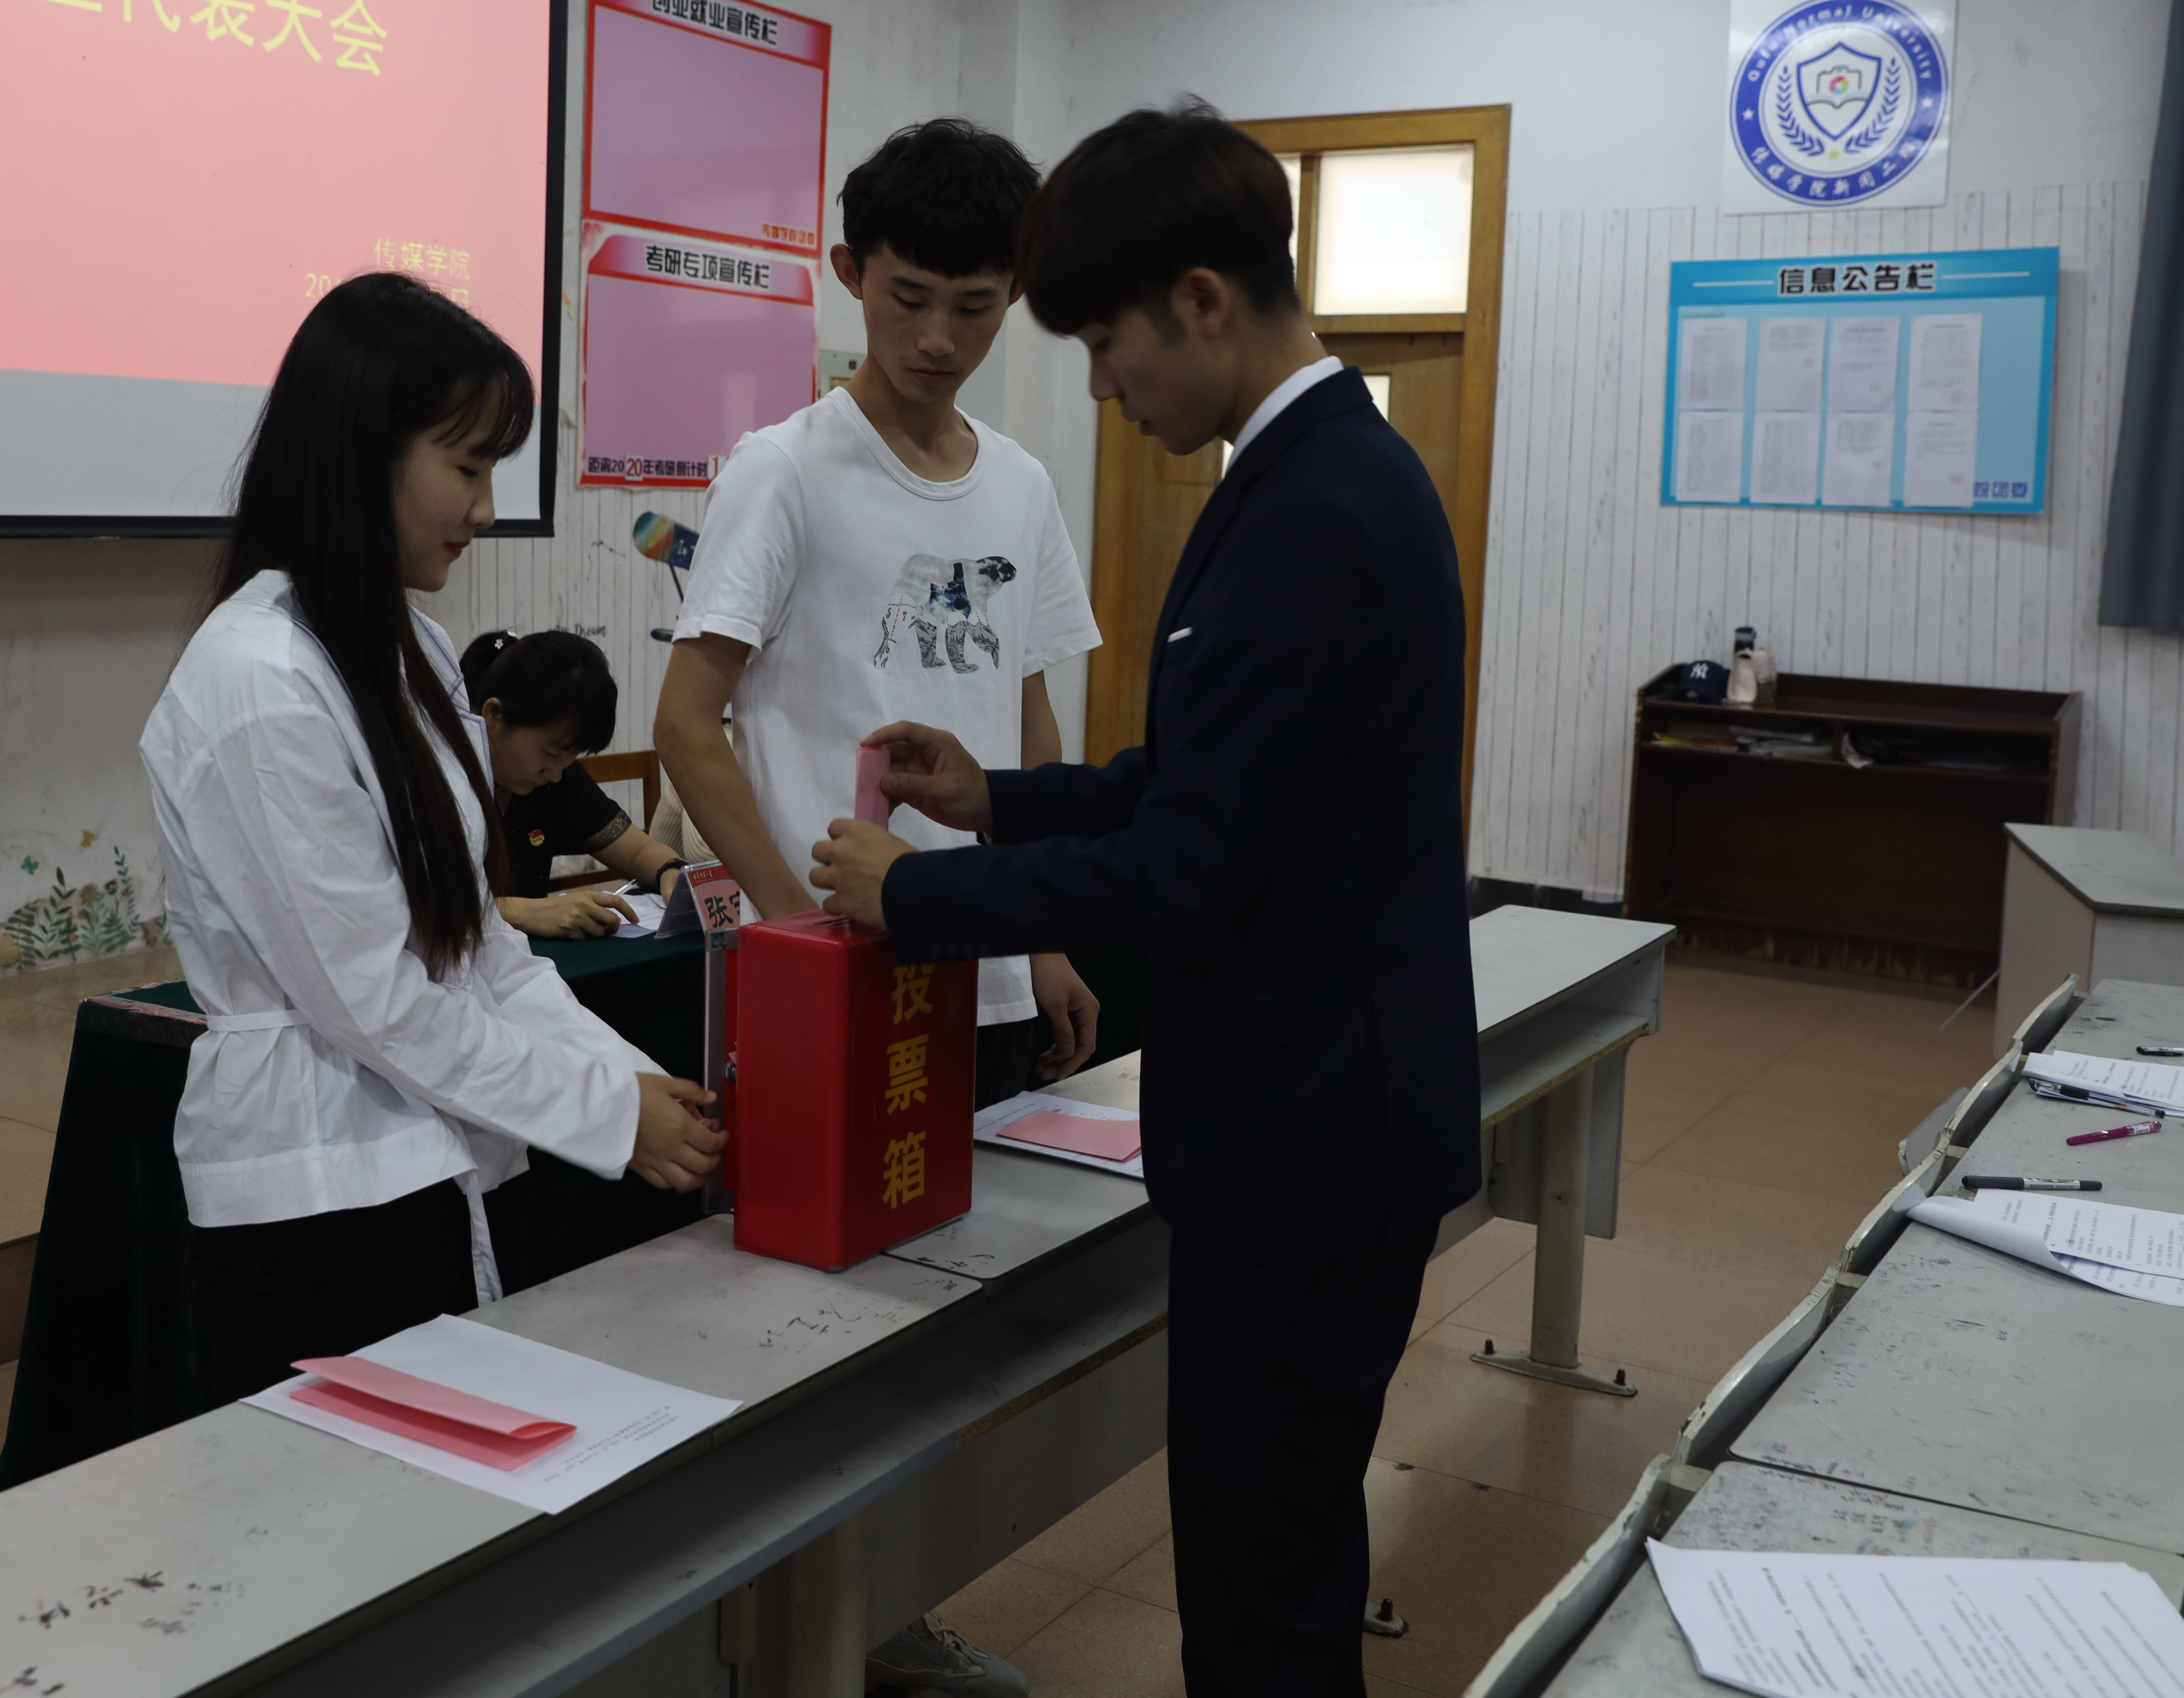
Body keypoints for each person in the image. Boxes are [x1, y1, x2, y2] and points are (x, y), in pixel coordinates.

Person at [808, 104, 1479, 1697]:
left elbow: (1184, 868)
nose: (1102, 388)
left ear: (1199, 300)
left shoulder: (1313, 510)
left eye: (1104, 344)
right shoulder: (1313, 472)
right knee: (1268, 1553)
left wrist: (918, 895)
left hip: (1305, 1141)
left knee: (1260, 1588)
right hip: (1319, 1118)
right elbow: (1199, 778)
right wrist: (997, 796)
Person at [141, 272, 725, 1407]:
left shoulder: (409, 644)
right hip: (320, 1199)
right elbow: (372, 999)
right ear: (361, 455)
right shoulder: (259, 681)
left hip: (439, 1163)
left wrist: (636, 1083)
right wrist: (609, 1114)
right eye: (467, 467)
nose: (486, 509)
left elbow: (480, 950)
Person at [654, 117, 1105, 1111]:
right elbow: (685, 724)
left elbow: (1026, 721)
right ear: (851, 273)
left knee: (990, 1210)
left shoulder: (1022, 484)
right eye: (909, 298)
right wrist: (797, 934)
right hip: (836, 961)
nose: (939, 338)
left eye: (974, 306)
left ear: (1015, 294)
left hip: (988, 964)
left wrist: (1044, 937)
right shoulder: (782, 472)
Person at [458, 628, 688, 939]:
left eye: (570, 757)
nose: (555, 775)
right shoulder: (434, 779)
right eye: (550, 753)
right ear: (494, 715)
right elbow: (420, 904)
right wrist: (520, 912)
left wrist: (670, 872)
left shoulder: (552, 777)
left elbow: (637, 852)